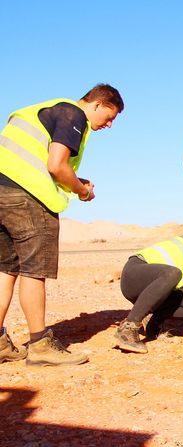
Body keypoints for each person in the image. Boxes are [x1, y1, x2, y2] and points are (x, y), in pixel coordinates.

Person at [0, 84, 123, 366]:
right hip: (26, 197)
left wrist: (77, 180)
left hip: (2, 192)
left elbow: (40, 161)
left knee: (5, 269)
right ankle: (40, 345)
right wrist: (82, 191)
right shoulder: (73, 114)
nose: (109, 124)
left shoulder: (42, 109)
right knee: (34, 270)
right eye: (110, 116)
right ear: (98, 104)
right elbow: (56, 165)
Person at [115, 202, 183, 354]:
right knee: (173, 273)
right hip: (135, 273)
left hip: (156, 293)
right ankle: (128, 328)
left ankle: (154, 323)